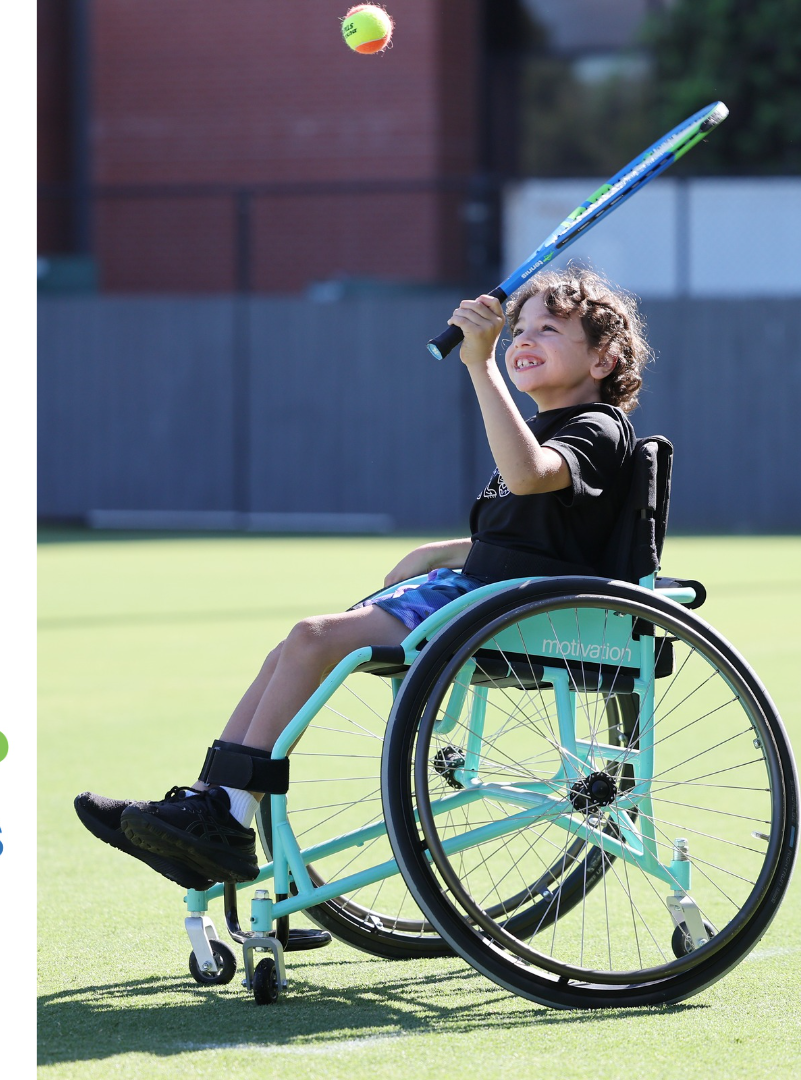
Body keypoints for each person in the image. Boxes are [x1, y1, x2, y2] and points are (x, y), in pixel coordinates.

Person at [74, 267, 651, 891]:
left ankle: (226, 817)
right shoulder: (540, 428)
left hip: (513, 612)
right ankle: (212, 801)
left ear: (605, 357)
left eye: (550, 328)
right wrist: (446, 552)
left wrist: (479, 367)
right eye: (519, 328)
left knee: (313, 637)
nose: (522, 338)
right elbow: (535, 538)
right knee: (291, 650)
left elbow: (529, 480)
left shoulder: (597, 427)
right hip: (486, 593)